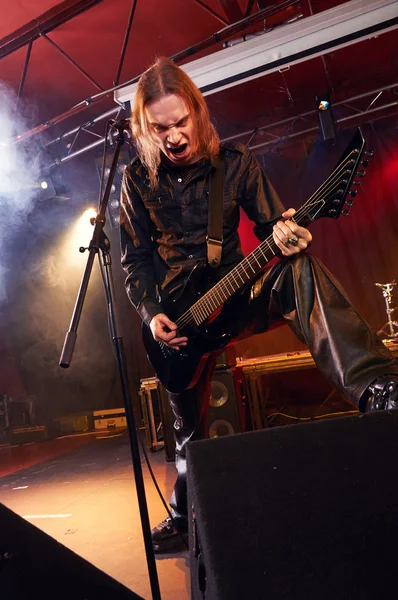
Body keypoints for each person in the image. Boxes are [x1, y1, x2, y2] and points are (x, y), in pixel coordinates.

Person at [120, 57, 398, 553]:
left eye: (181, 122)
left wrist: (289, 235)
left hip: (236, 297)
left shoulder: (237, 163)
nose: (174, 136)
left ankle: (378, 386)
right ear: (145, 127)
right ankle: (186, 517)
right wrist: (150, 314)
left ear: (197, 114)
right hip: (180, 327)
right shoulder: (137, 180)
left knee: (298, 270)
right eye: (160, 127)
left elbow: (274, 227)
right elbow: (134, 261)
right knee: (189, 435)